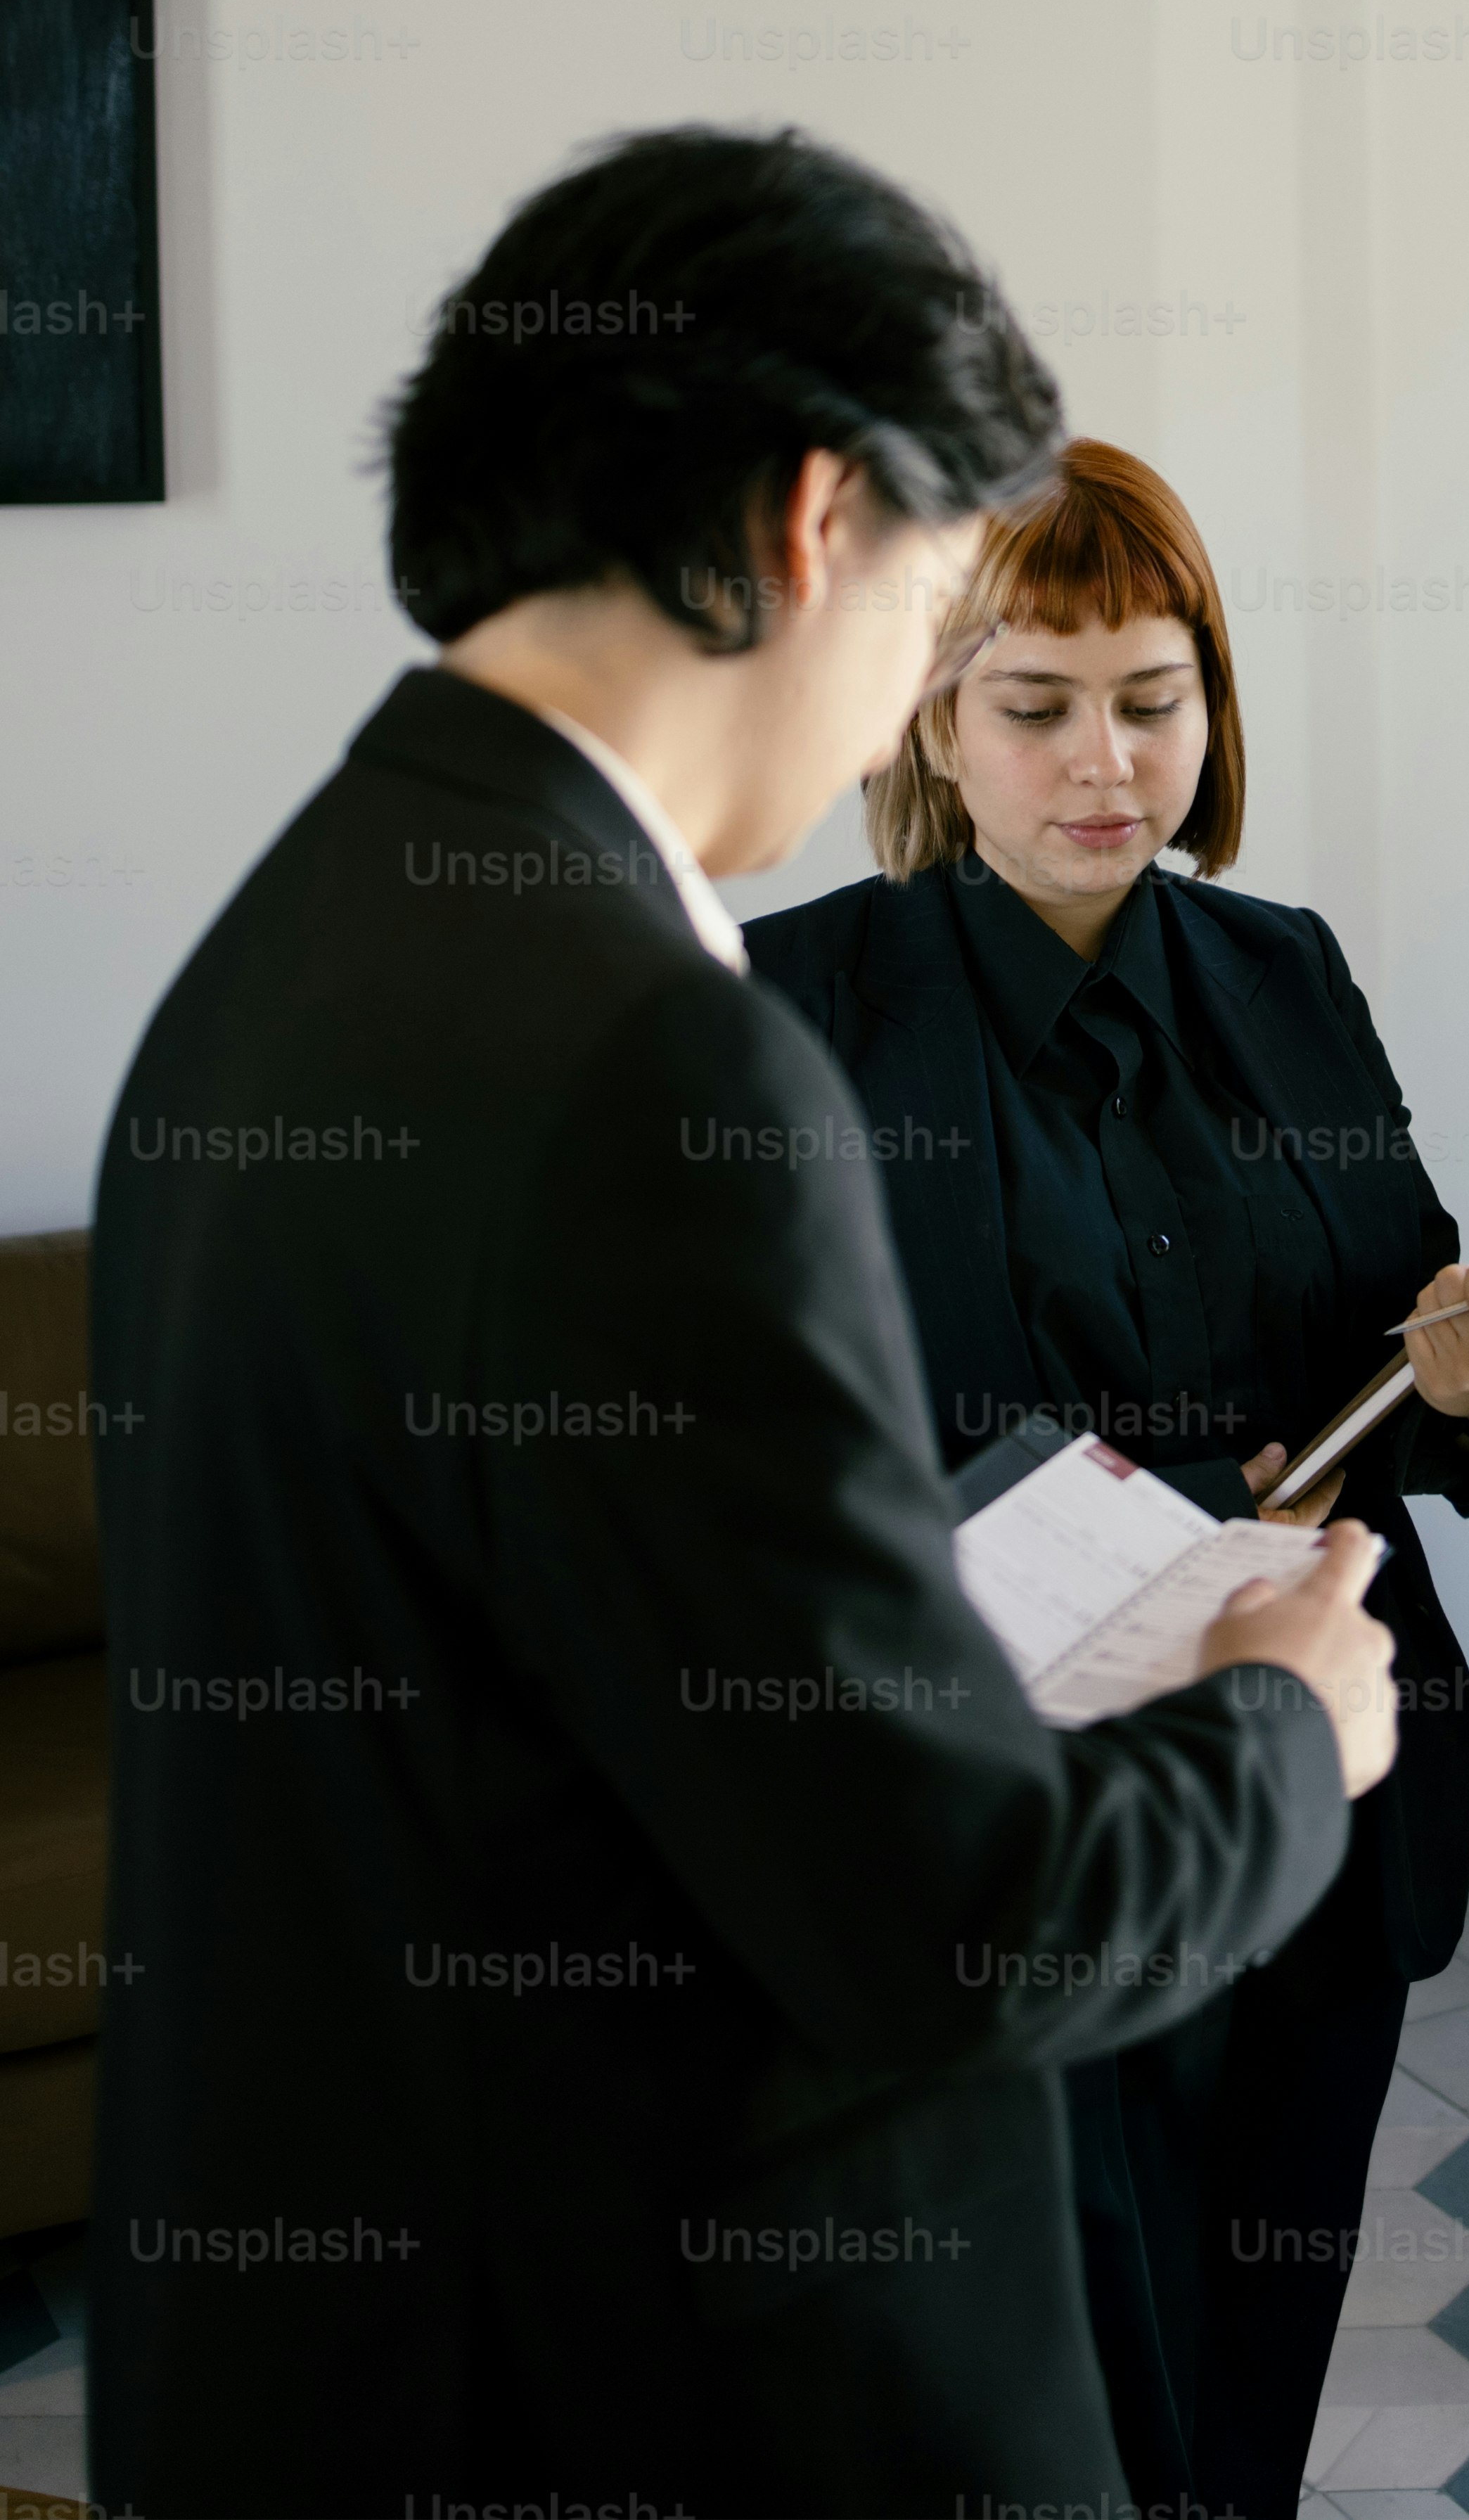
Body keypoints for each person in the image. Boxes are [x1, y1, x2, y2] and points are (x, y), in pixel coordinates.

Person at [87, 130, 1400, 2520]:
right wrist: (1286, 1728)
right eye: (946, 614)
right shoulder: (653, 1060)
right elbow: (956, 1925)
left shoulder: (306, 930)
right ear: (820, 521)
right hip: (643, 2377)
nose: (932, 687)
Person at [747, 436, 1469, 2520]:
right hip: (1009, 1810)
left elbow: (1418, 1361)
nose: (1103, 756)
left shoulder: (1283, 971)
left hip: (1317, 1772)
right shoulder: (801, 1006)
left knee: (1251, 2353)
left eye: (1154, 692)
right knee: (1056, 2403)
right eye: (1035, 700)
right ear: (935, 711)